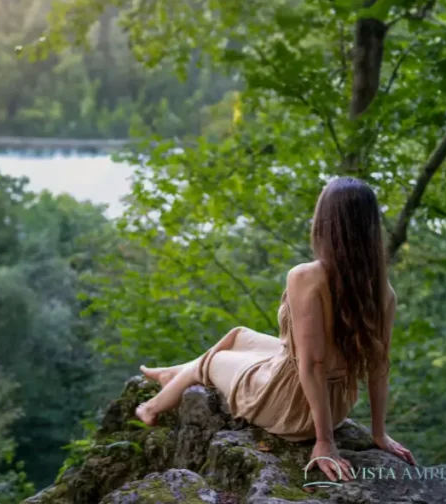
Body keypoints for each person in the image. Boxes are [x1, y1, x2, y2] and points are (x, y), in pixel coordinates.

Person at [134, 177, 416, 482]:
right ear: (370, 228)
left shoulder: (307, 277)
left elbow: (312, 363)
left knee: (212, 361)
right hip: (335, 405)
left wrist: (324, 442)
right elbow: (379, 366)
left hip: (293, 407)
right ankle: (171, 373)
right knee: (240, 336)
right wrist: (378, 432)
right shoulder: (382, 290)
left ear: (326, 223)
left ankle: (151, 407)